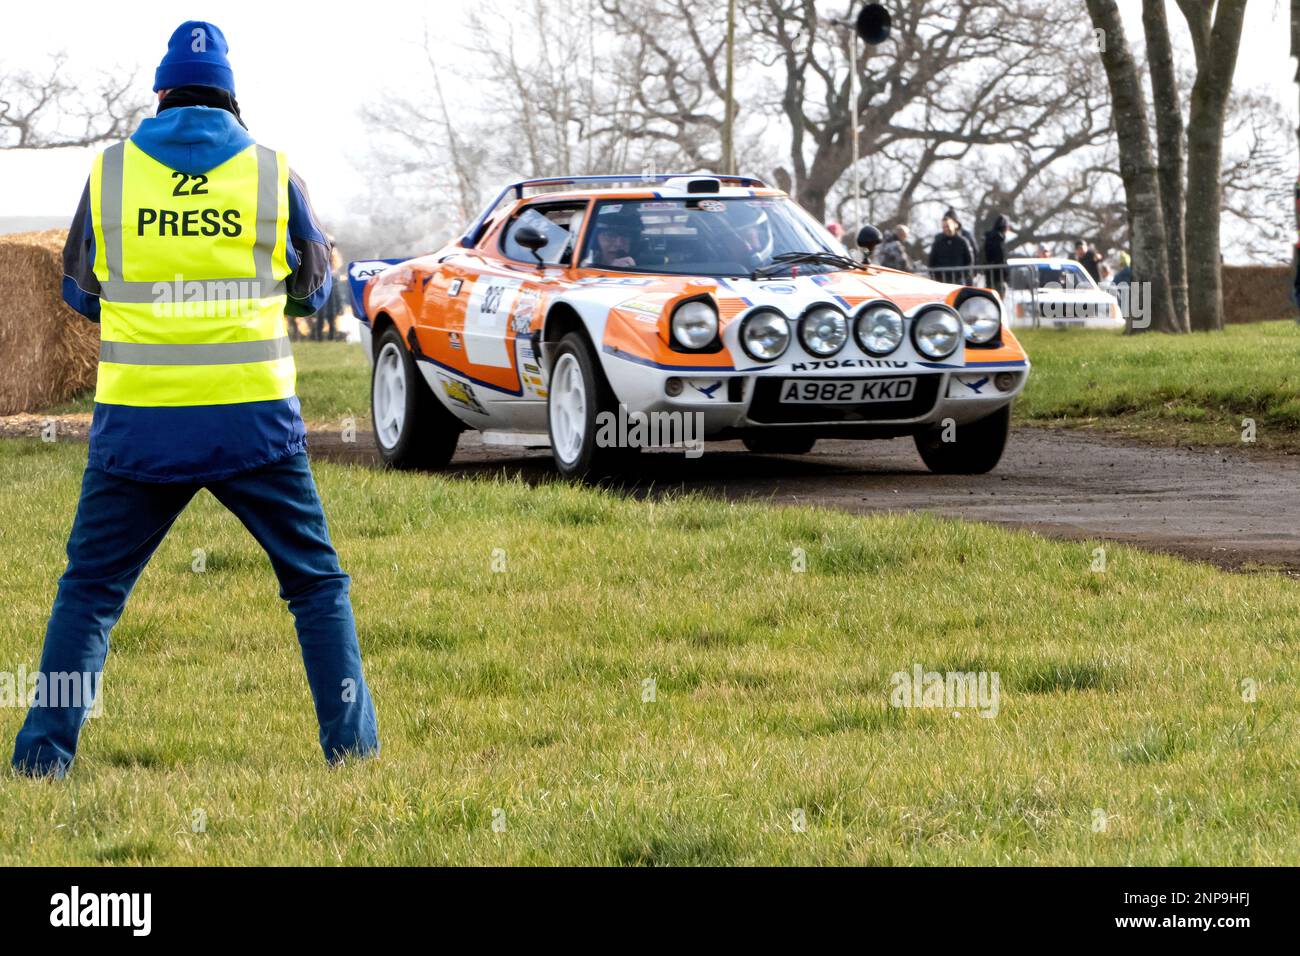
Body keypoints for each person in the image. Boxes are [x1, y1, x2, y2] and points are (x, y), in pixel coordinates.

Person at [12, 21, 379, 778]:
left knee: (89, 592)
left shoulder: (111, 174)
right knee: (315, 585)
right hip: (255, 426)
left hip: (138, 426)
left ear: (160, 92)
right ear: (233, 100)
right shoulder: (274, 172)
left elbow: (78, 293)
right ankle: (354, 753)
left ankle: (41, 761)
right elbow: (316, 293)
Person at [928, 212, 973, 285]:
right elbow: (931, 261)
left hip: (959, 280)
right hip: (942, 280)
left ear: (954, 225)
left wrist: (965, 275)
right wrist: (935, 277)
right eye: (944, 227)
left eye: (948, 226)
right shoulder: (938, 242)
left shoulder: (962, 241)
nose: (946, 229)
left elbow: (969, 260)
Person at [983, 214, 1010, 296]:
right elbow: (1001, 258)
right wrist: (1006, 274)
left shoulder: (988, 238)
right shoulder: (998, 239)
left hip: (989, 275)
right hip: (998, 277)